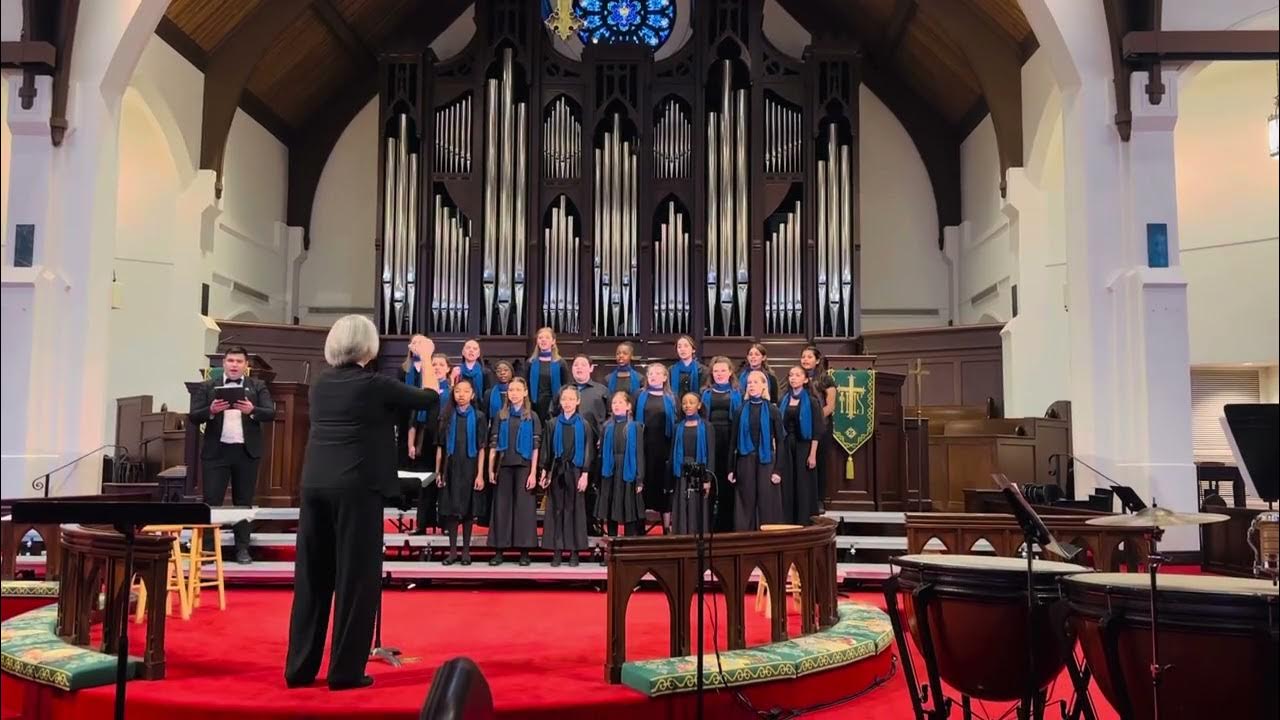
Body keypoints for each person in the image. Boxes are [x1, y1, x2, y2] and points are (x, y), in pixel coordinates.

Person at [285, 317, 438, 692]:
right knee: (355, 580)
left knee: (312, 579)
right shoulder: (373, 384)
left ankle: (299, 668)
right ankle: (345, 672)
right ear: (368, 346)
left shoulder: (320, 384)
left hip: (315, 485)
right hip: (356, 488)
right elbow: (429, 398)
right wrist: (427, 357)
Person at [189, 346, 275, 564]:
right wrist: (211, 410)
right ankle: (208, 550)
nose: (234, 365)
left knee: (243, 502)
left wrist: (252, 410)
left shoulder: (257, 386)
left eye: (239, 361)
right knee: (212, 501)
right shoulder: (208, 386)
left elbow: (270, 413)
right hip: (216, 453)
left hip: (246, 452)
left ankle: (242, 550)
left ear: (246, 365)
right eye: (230, 361)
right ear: (224, 363)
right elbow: (193, 416)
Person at [488, 377, 541, 566]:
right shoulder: (500, 415)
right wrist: (490, 469)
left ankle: (524, 551)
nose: (514, 393)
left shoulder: (532, 416)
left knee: (524, 509)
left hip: (524, 466)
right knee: (501, 508)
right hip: (504, 465)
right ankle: (499, 551)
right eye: (511, 390)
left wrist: (533, 472)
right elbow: (493, 445)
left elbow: (536, 447)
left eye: (518, 390)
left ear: (525, 392)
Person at [434, 378, 487, 566]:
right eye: (457, 391)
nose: (461, 395)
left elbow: (482, 447)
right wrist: (438, 472)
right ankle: (452, 552)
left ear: (472, 395)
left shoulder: (479, 417)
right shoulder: (446, 416)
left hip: (470, 466)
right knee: (451, 510)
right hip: (451, 466)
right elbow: (440, 446)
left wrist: (480, 474)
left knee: (467, 510)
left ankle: (466, 551)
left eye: (465, 391)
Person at [541, 386, 595, 566]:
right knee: (556, 510)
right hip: (557, 470)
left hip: (576, 471)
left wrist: (585, 474)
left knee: (575, 510)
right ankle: (557, 550)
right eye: (564, 399)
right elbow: (547, 450)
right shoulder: (552, 424)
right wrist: (545, 472)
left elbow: (588, 451)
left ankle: (574, 552)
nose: (567, 403)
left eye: (571, 399)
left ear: (578, 401)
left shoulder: (584, 424)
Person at [729, 370, 786, 531]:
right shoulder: (740, 410)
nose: (752, 385)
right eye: (749, 383)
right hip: (745, 460)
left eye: (755, 382)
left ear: (764, 386)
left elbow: (781, 442)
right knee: (745, 500)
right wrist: (731, 469)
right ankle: (745, 536)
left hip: (766, 460)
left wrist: (778, 470)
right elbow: (733, 442)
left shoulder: (773, 410)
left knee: (767, 501)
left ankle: (767, 536)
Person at [595, 391, 646, 542]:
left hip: (628, 470)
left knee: (628, 508)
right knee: (611, 508)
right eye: (614, 403)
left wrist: (639, 478)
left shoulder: (635, 427)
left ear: (628, 406)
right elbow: (602, 454)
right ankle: (612, 544)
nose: (616, 406)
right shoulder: (607, 427)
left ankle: (628, 544)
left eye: (620, 403)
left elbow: (639, 453)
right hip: (610, 470)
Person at [778, 367, 825, 525]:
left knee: (803, 484)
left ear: (805, 380)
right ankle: (787, 520)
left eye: (797, 375)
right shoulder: (783, 400)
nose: (793, 378)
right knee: (787, 483)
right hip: (786, 445)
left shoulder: (812, 402)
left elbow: (817, 430)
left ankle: (804, 520)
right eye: (791, 375)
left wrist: (812, 454)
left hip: (804, 446)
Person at [700, 356, 741, 533]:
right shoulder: (705, 393)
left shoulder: (737, 393)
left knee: (727, 480)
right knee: (711, 477)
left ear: (730, 372)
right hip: (710, 437)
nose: (719, 374)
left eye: (723, 370)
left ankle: (727, 524)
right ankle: (710, 523)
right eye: (716, 371)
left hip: (729, 438)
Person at [634, 363, 676, 533]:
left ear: (665, 377)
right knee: (642, 485)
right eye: (651, 373)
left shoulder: (672, 398)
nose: (654, 376)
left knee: (663, 486)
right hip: (643, 447)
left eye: (658, 373)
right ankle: (639, 526)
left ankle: (666, 527)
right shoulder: (639, 395)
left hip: (664, 448)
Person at [671, 392, 714, 535]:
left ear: (699, 405)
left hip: (699, 470)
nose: (687, 406)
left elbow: (711, 454)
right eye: (684, 403)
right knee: (682, 504)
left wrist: (707, 479)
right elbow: (672, 453)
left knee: (697, 505)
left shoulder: (707, 426)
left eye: (691, 402)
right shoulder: (677, 427)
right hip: (681, 469)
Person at [800, 345, 835, 509]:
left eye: (809, 357)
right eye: (803, 357)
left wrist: (815, 420)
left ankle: (819, 500)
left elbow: (830, 406)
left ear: (817, 360)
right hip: (802, 428)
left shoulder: (826, 379)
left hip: (822, 427)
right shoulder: (797, 376)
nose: (805, 360)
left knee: (819, 463)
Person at [527, 327, 570, 420]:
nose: (543, 340)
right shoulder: (531, 363)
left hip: (554, 406)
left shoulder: (560, 363)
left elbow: (565, 386)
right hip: (535, 406)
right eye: (540, 338)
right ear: (537, 341)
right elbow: (526, 385)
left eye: (547, 337)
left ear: (553, 341)